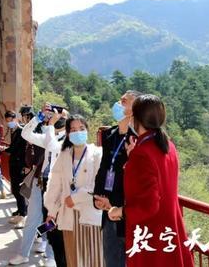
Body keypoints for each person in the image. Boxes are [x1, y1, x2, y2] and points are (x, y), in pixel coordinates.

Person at [107, 95, 193, 267]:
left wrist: (119, 212)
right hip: (170, 227)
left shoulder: (143, 152)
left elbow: (148, 205)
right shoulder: (167, 145)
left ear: (135, 118)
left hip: (152, 234)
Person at [8, 104, 67, 266]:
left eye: (59, 116)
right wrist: (39, 117)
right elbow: (26, 134)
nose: (55, 118)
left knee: (51, 221)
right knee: (33, 219)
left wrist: (50, 125)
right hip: (39, 182)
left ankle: (50, 255)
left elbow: (54, 147)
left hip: (57, 187)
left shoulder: (69, 140)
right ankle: (23, 253)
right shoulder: (48, 135)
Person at [44, 115, 104, 267]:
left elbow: (98, 184)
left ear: (87, 130)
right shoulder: (64, 155)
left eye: (81, 129)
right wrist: (51, 211)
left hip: (89, 213)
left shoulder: (97, 153)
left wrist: (75, 198)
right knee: (73, 258)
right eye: (74, 130)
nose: (78, 133)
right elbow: (55, 185)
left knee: (93, 258)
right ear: (68, 133)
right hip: (68, 215)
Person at [93, 90, 141, 267]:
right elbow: (104, 169)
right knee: (111, 261)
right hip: (107, 211)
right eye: (120, 99)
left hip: (126, 212)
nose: (119, 104)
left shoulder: (138, 139)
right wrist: (97, 197)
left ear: (137, 109)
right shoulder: (109, 135)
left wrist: (117, 206)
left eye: (125, 101)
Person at [5, 110, 28, 226]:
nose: (10, 123)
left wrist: (5, 149)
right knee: (14, 189)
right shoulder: (14, 131)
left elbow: (15, 148)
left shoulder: (21, 131)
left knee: (19, 190)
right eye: (8, 121)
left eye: (11, 120)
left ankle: (23, 215)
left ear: (16, 118)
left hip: (19, 164)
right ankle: (20, 212)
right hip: (14, 163)